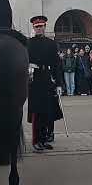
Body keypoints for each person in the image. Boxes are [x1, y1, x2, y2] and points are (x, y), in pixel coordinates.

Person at [27, 16, 63, 151]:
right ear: (33, 28)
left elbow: (56, 65)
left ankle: (43, 139)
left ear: (45, 27)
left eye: (41, 26)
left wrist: (59, 84)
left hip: (48, 78)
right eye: (37, 27)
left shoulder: (51, 44)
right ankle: (36, 140)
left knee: (46, 110)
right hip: (35, 79)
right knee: (37, 111)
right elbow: (24, 61)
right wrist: (29, 66)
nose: (39, 28)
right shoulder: (28, 43)